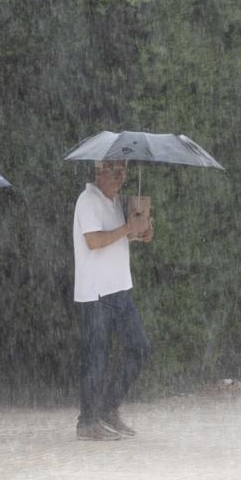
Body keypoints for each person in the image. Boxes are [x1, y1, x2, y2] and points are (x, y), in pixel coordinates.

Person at [72, 159, 153, 441]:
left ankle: (107, 409)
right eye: (114, 171)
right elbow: (93, 241)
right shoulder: (88, 200)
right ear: (99, 172)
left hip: (120, 288)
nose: (120, 177)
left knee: (139, 348)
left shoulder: (115, 201)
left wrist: (140, 233)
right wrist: (126, 229)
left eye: (123, 172)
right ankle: (87, 421)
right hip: (96, 292)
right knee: (96, 358)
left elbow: (115, 239)